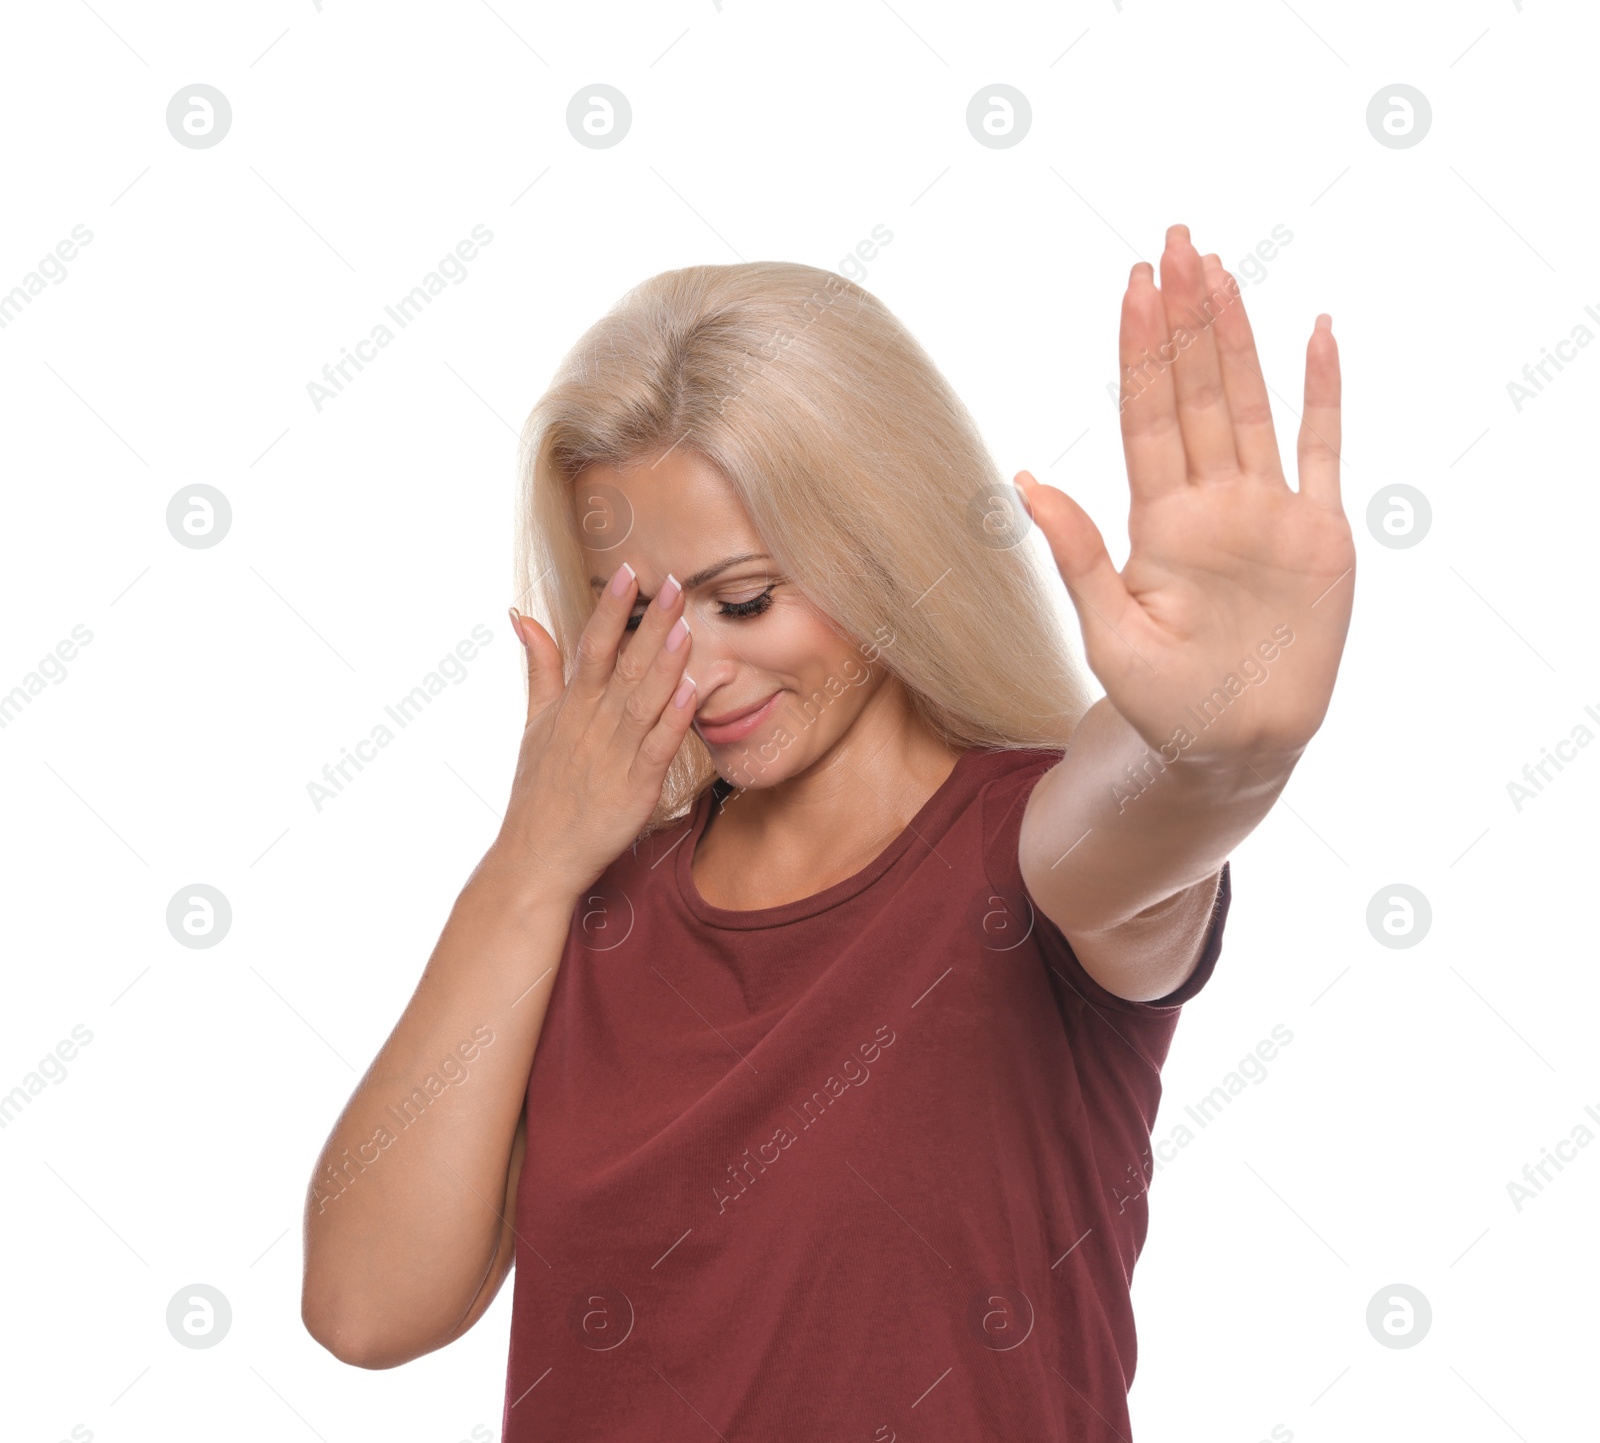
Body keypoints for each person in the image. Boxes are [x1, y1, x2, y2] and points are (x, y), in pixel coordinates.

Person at [301, 225, 1353, 1441]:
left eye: (745, 597)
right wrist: (534, 857)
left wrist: (1223, 735)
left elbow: (1149, 817)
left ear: (886, 543)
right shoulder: (587, 912)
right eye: (638, 615)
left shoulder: (1025, 848)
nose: (696, 667)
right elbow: (364, 1309)